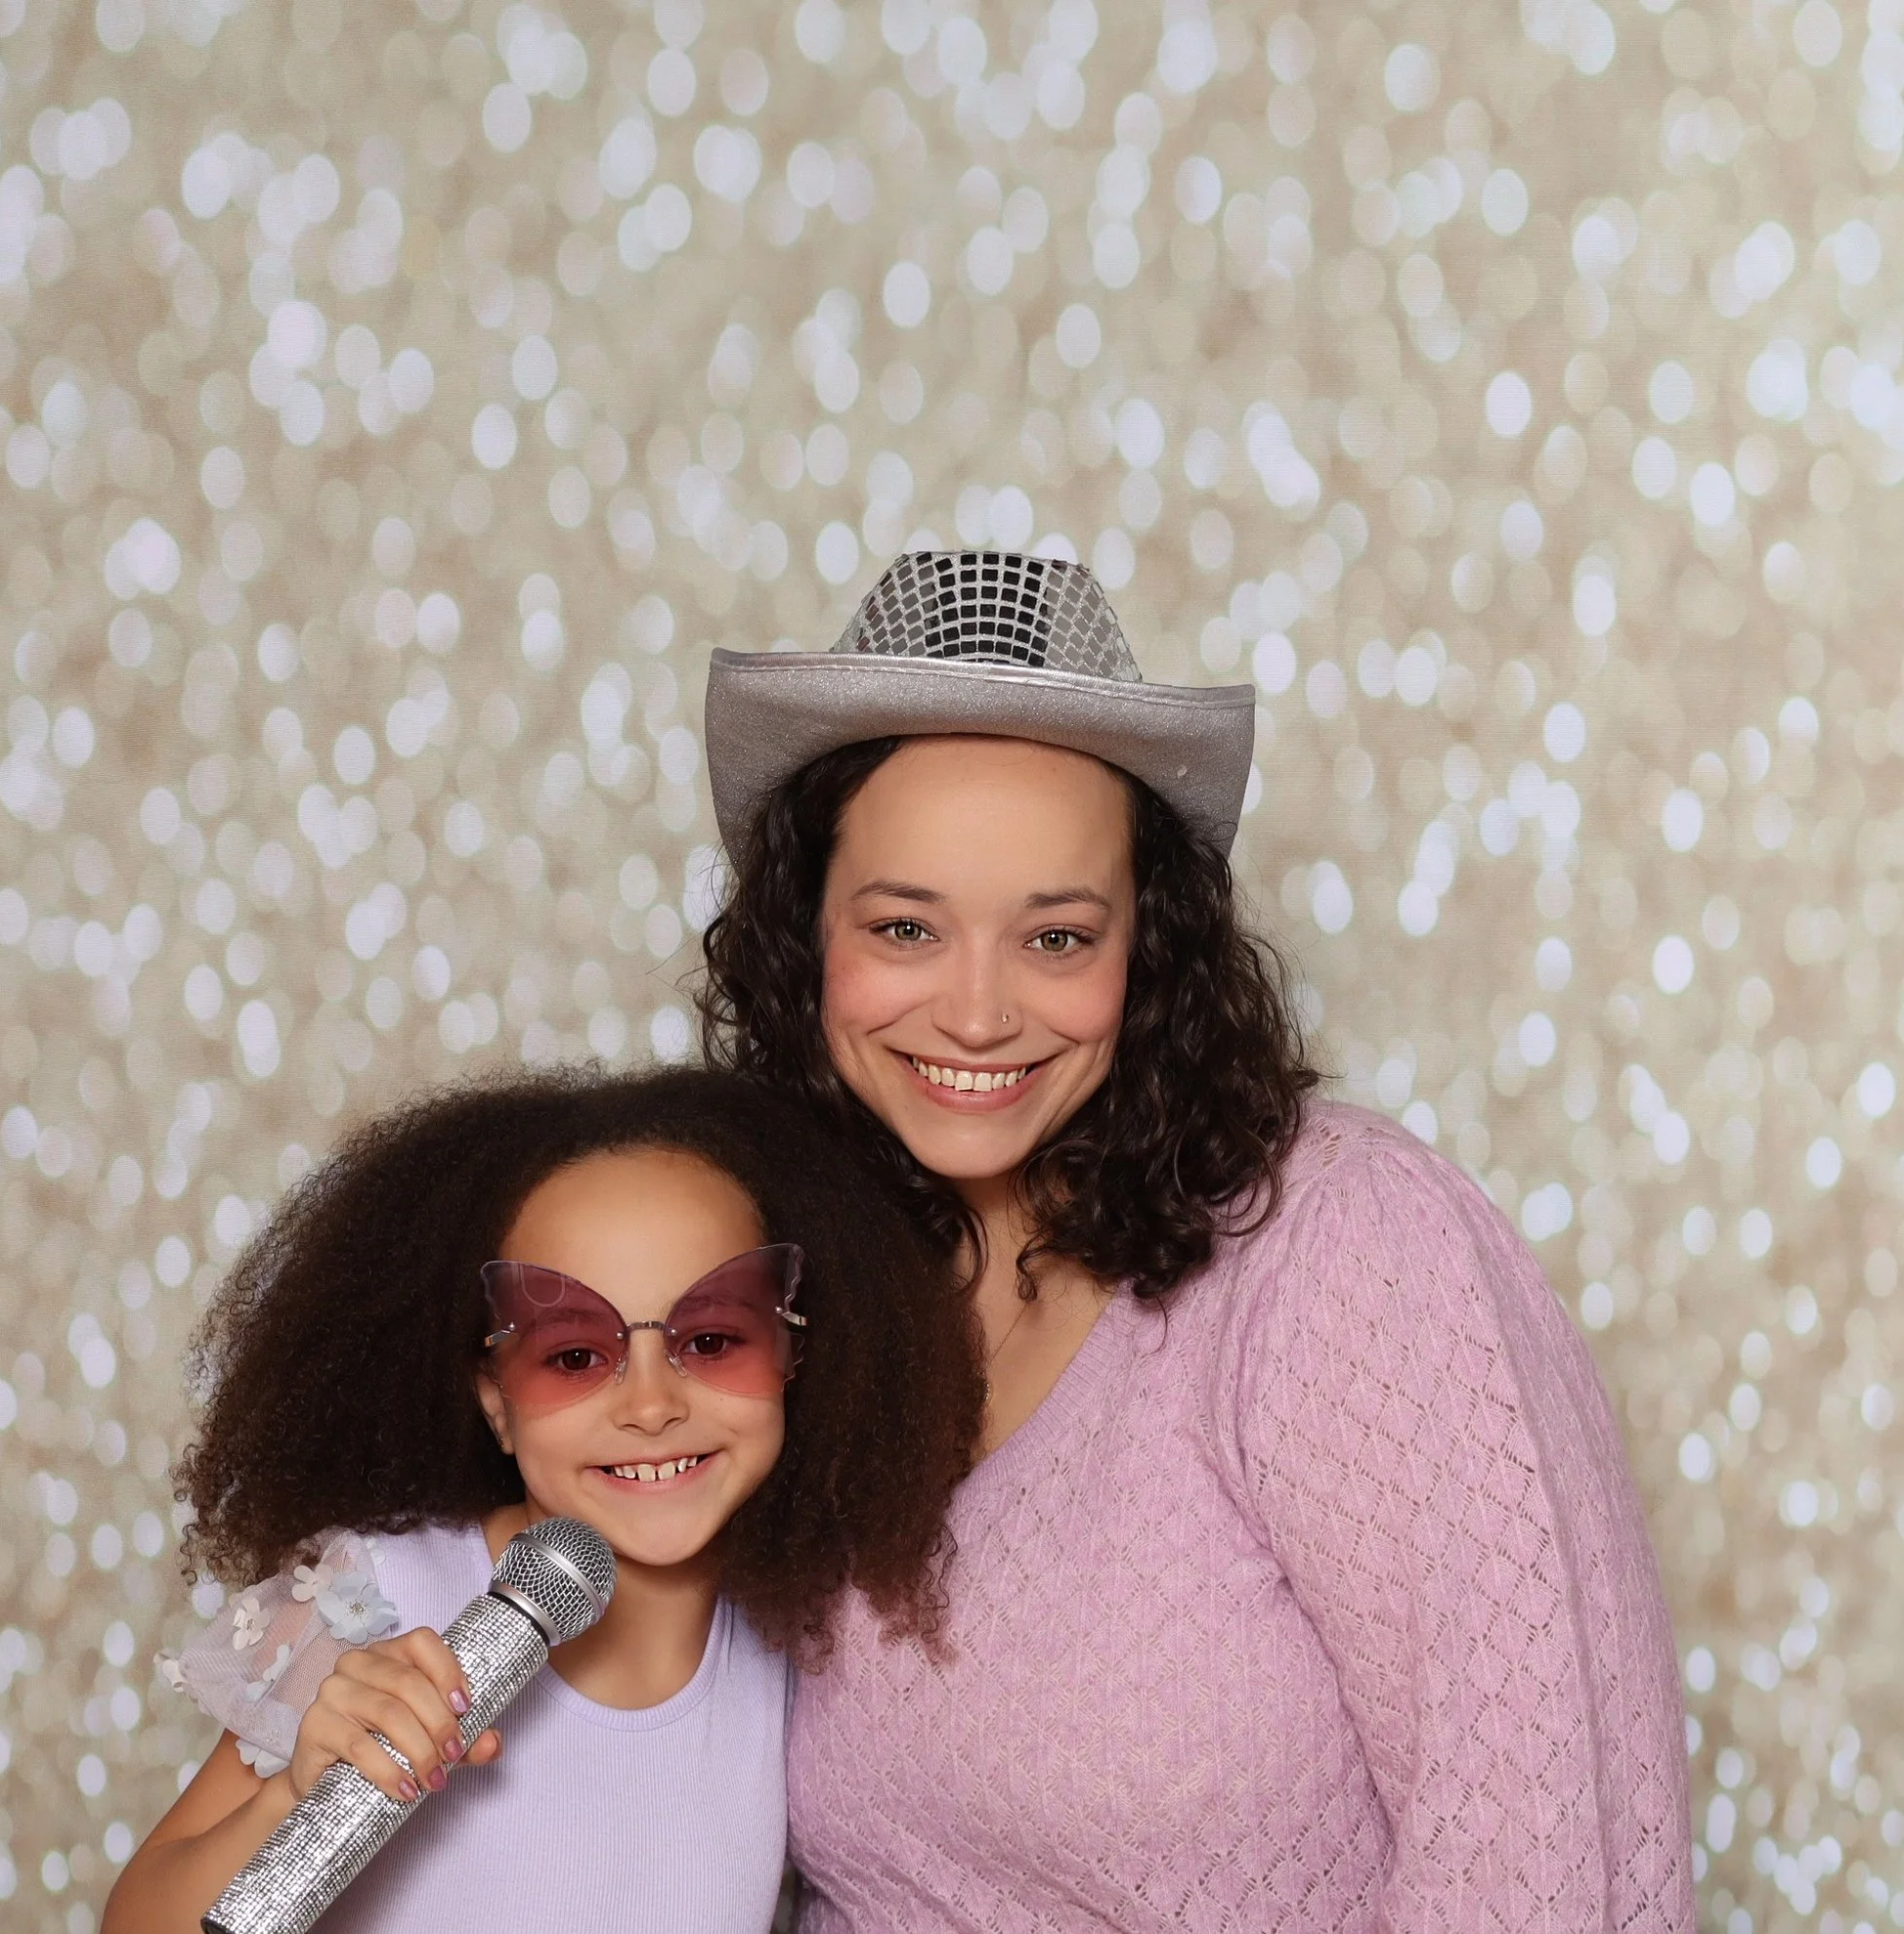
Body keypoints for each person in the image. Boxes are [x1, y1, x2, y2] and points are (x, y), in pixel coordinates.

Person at [698, 549, 1695, 1930]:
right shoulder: (791, 1309)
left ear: (1148, 948)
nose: (977, 1012)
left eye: (1055, 936)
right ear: (806, 943)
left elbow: (1547, 1853)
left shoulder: (1340, 1246)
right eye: (908, 925)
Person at [103, 1067, 980, 1934]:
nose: (649, 1405)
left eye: (711, 1339)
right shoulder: (379, 1595)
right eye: (572, 1356)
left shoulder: (787, 1648)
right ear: (495, 1398)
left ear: (793, 1355)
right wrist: (295, 1797)